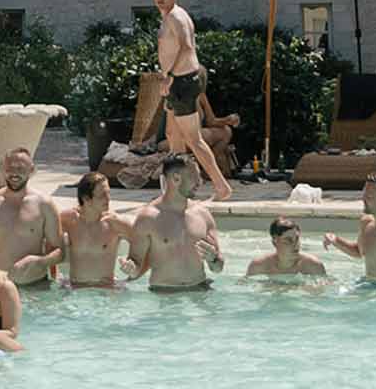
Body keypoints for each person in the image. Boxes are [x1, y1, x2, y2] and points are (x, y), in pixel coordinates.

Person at [152, 0, 233, 199]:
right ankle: (178, 189)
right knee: (172, 134)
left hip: (182, 82)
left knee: (193, 140)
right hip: (178, 81)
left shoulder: (176, 17)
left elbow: (187, 47)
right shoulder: (169, 16)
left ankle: (221, 187)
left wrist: (169, 75)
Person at [122, 153, 225, 292]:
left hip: (200, 290)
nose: (200, 182)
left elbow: (218, 268)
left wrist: (213, 259)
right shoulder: (148, 218)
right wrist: (130, 269)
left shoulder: (203, 214)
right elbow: (135, 269)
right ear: (176, 178)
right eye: (194, 177)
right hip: (164, 293)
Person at [0, 147, 63, 285]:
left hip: (35, 285)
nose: (14, 173)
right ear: (4, 169)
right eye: (10, 168)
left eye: (20, 168)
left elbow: (60, 251)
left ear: (31, 170)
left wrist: (40, 262)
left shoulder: (44, 204)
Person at [59, 171, 135, 288]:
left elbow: (145, 246)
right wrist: (54, 275)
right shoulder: (69, 219)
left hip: (106, 290)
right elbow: (47, 240)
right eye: (102, 195)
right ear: (86, 199)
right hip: (76, 289)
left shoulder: (116, 223)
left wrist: (133, 267)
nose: (108, 199)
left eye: (108, 193)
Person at [245, 217, 328, 283]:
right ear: (275, 242)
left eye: (297, 239)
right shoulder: (258, 266)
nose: (295, 244)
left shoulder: (313, 266)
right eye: (288, 240)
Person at [197, 88, 241, 170]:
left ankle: (209, 167)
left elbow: (211, 121)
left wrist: (227, 120)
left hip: (200, 133)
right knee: (205, 135)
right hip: (183, 136)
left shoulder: (201, 95)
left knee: (227, 131)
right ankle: (209, 168)